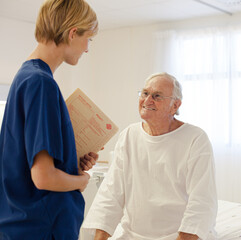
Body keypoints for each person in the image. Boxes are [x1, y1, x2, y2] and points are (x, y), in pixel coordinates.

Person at [0, 0, 99, 239]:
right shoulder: (41, 84)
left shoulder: (26, 77)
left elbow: (29, 163)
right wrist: (80, 181)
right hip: (40, 228)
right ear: (73, 33)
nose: (87, 49)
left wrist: (71, 161)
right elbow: (44, 178)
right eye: (89, 39)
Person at [82, 72, 218, 240]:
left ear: (175, 106)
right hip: (133, 235)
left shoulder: (196, 139)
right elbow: (111, 193)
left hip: (179, 235)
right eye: (145, 93)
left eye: (157, 96)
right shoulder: (129, 135)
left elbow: (202, 201)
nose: (147, 101)